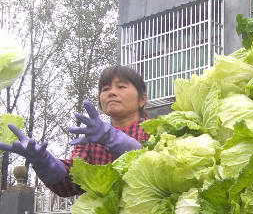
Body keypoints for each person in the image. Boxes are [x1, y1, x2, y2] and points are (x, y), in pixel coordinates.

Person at [0, 65, 150, 197]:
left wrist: (112, 138)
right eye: (105, 89)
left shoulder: (158, 130)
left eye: (121, 86)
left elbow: (153, 164)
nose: (111, 92)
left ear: (142, 99)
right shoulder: (91, 139)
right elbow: (70, 183)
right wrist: (44, 162)